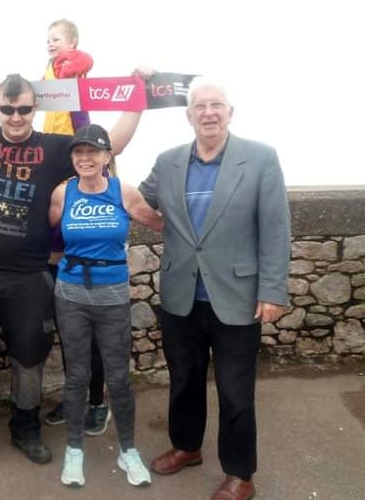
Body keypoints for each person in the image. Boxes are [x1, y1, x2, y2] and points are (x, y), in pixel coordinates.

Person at [0, 71, 150, 483]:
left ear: (36, 109)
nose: (15, 117)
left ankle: (26, 429)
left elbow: (112, 144)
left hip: (29, 277)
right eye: (7, 109)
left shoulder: (53, 149)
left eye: (24, 109)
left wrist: (136, 95)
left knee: (29, 359)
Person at [139, 76, 291, 500]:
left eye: (216, 104)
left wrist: (273, 290)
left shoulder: (260, 158)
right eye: (200, 106)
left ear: (229, 112)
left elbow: (276, 229)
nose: (208, 112)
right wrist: (90, 170)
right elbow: (137, 200)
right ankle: (187, 447)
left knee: (235, 391)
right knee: (183, 379)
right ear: (188, 116)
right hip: (181, 295)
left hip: (237, 297)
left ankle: (241, 474)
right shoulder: (168, 161)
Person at [50, 124, 163, 488]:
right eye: (78, 152)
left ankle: (128, 449)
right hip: (70, 293)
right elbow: (37, 233)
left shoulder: (122, 191)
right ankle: (74, 450)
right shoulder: (62, 193)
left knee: (117, 377)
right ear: (72, 158)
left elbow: (160, 223)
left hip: (112, 293)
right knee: (78, 376)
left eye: (93, 152)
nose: (85, 158)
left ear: (106, 156)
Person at [41, 18, 110, 437]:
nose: (50, 46)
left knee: (93, 337)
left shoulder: (72, 70)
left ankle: (97, 401)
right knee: (70, 336)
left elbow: (82, 105)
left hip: (89, 263)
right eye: (46, 41)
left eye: (56, 40)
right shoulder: (46, 78)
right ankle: (76, 399)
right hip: (53, 259)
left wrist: (75, 64)